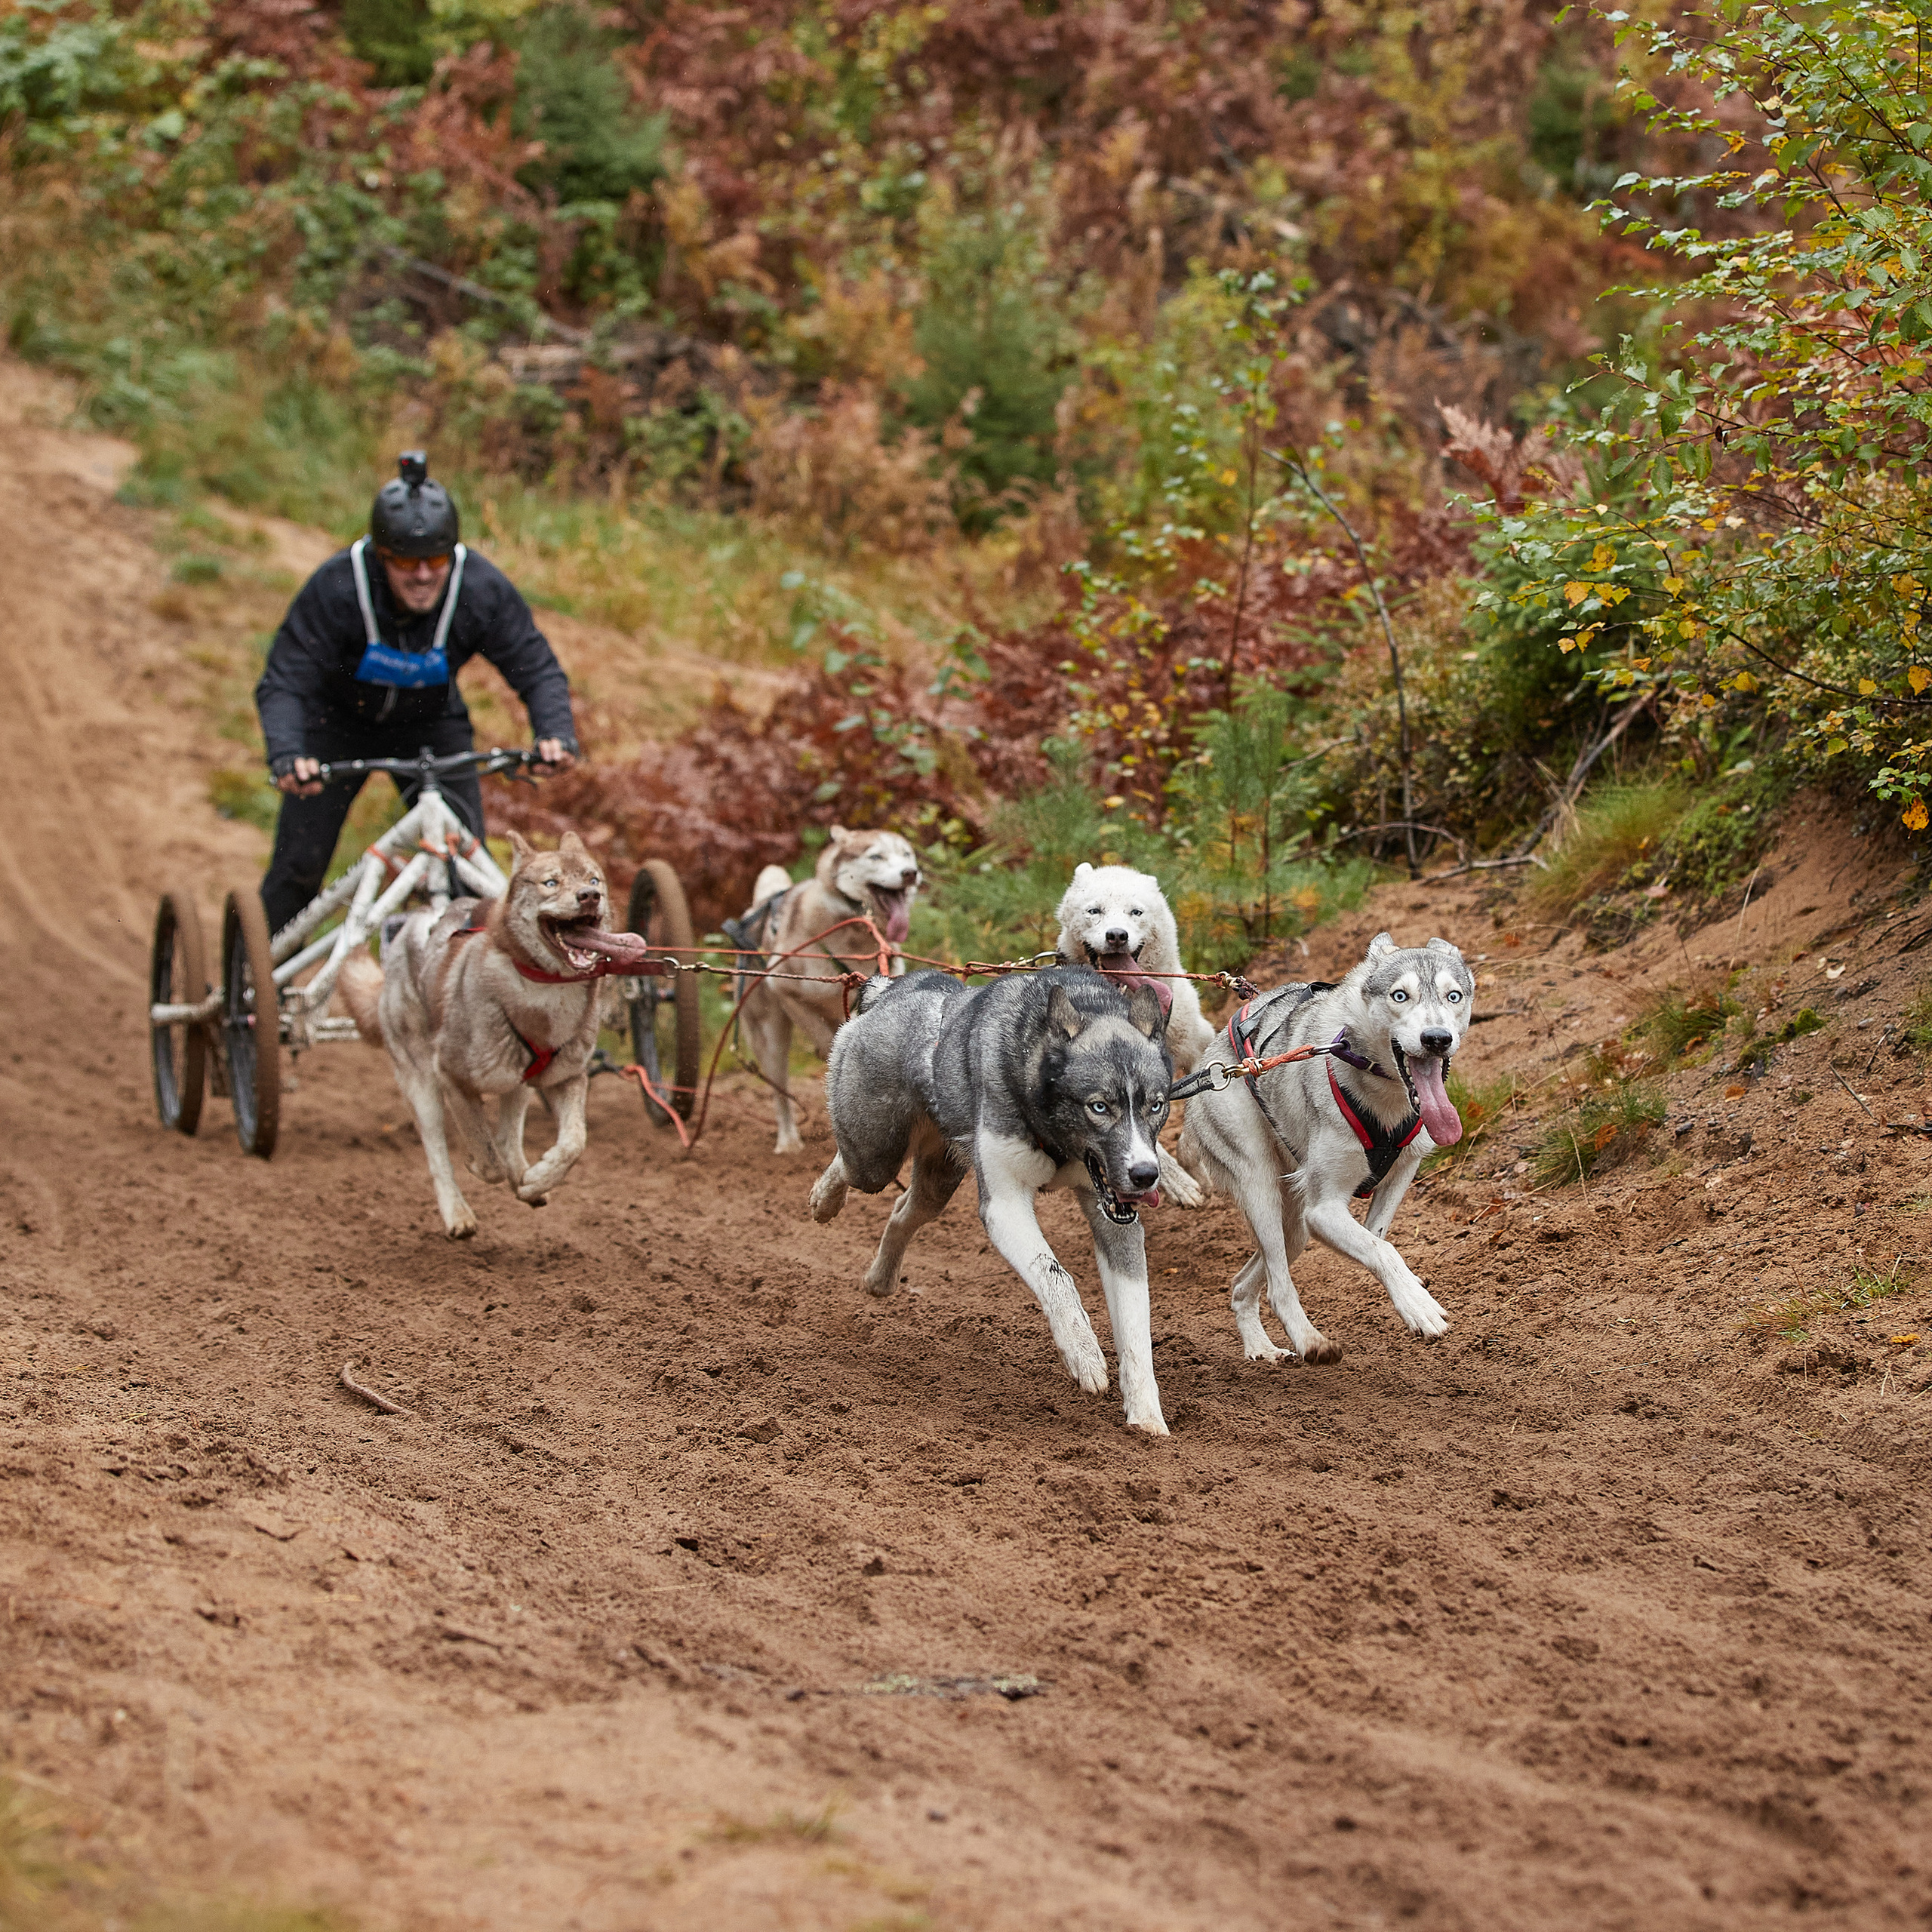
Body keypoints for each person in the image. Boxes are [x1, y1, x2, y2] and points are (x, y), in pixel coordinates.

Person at [254, 452, 578, 934]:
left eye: (436, 561)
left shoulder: (480, 587)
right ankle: (254, 991)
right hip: (335, 727)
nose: (423, 575)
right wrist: (287, 753)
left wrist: (554, 732)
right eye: (406, 561)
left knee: (467, 869)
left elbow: (536, 668)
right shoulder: (338, 587)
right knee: (299, 868)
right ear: (382, 555)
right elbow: (284, 679)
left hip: (431, 726)